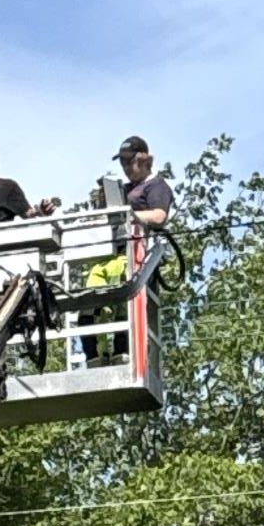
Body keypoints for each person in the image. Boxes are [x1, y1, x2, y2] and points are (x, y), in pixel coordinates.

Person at [83, 135, 175, 363]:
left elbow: (159, 215)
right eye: (122, 163)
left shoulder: (156, 186)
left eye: (129, 162)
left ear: (144, 160)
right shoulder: (123, 189)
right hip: (109, 253)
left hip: (135, 254)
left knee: (124, 302)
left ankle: (121, 352)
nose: (125, 168)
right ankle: (94, 354)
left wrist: (131, 216)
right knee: (89, 300)